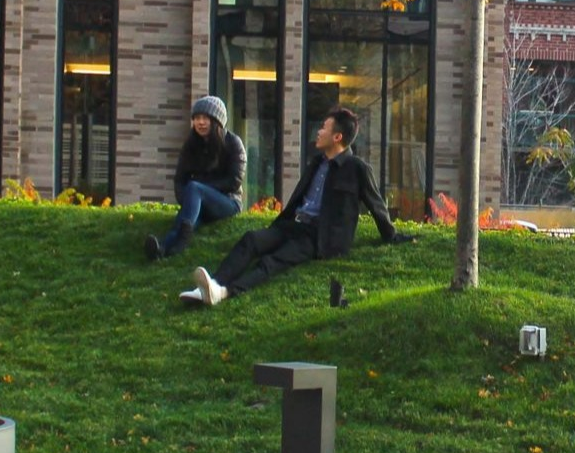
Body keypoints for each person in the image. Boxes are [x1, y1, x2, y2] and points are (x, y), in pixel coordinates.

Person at [182, 106, 410, 306]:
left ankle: (224, 293)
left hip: (317, 236)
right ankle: (212, 285)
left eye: (324, 128)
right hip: (293, 225)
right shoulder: (317, 162)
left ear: (337, 136)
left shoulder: (357, 168)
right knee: (251, 240)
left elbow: (376, 205)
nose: (318, 132)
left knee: (271, 261)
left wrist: (391, 235)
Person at [145, 95, 246, 260]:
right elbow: (180, 179)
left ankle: (181, 240)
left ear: (217, 121)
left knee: (194, 187)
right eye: (197, 118)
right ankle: (163, 249)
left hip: (228, 202)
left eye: (205, 118)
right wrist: (187, 200)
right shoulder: (190, 144)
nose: (200, 122)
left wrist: (200, 191)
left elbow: (234, 181)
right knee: (189, 213)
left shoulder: (233, 143)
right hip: (199, 201)